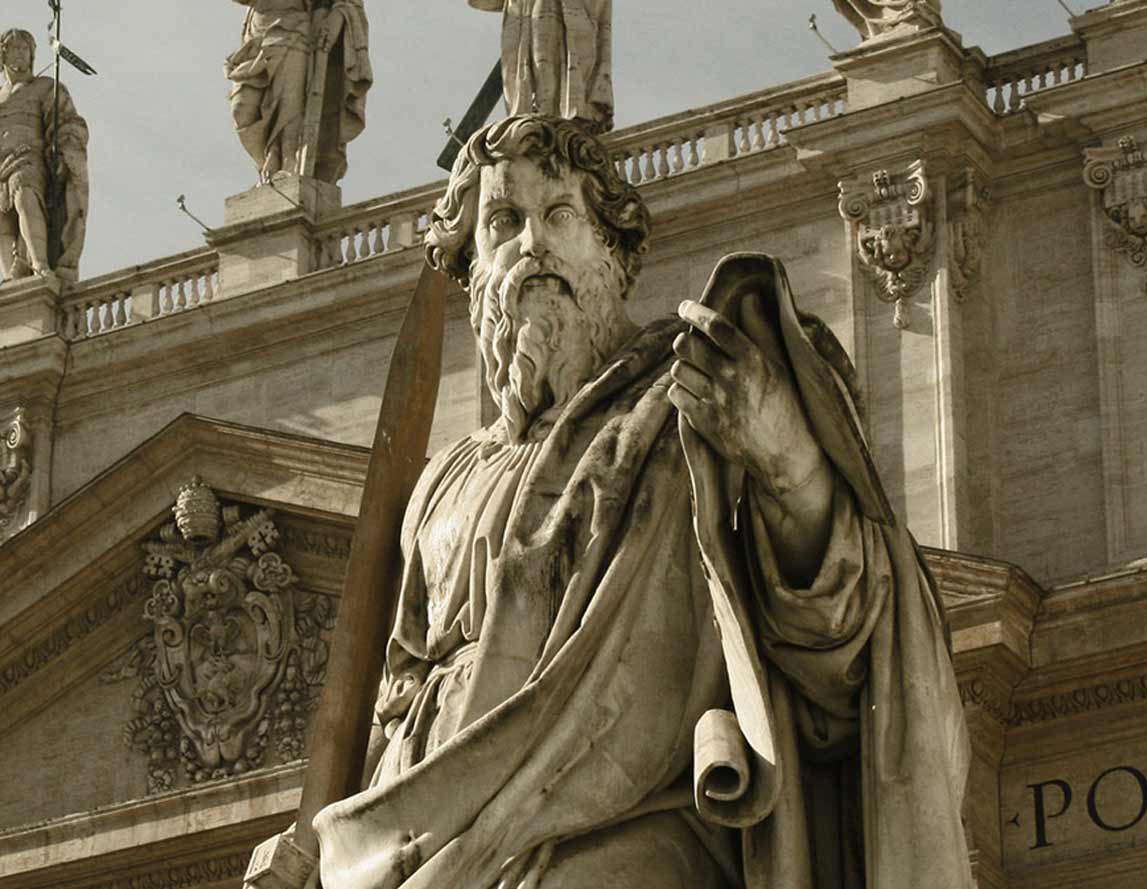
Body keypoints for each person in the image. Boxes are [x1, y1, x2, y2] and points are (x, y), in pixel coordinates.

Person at [313, 115, 970, 889]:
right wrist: (326, 848)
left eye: (560, 215)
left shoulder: (689, 398)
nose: (532, 244)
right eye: (503, 221)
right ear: (471, 268)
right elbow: (395, 696)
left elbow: (844, 622)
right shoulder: (442, 480)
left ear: (614, 251)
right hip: (433, 834)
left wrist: (783, 458)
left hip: (627, 816)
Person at [225, 0, 371, 184]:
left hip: (292, 27)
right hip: (256, 32)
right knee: (241, 109)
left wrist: (336, 16)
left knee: (289, 107)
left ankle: (286, 161)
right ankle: (268, 162)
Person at [0, 28, 88, 283]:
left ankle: (39, 265)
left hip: (29, 157)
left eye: (24, 49)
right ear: (3, 55)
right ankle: (13, 275)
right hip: (1, 161)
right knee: (3, 221)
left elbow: (68, 121)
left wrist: (64, 145)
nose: (20, 54)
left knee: (25, 198)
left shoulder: (45, 86)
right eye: (14, 48)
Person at [469, 0, 613, 132]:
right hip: (522, 12)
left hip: (559, 9)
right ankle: (534, 122)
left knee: (547, 63)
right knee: (521, 72)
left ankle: (549, 122)